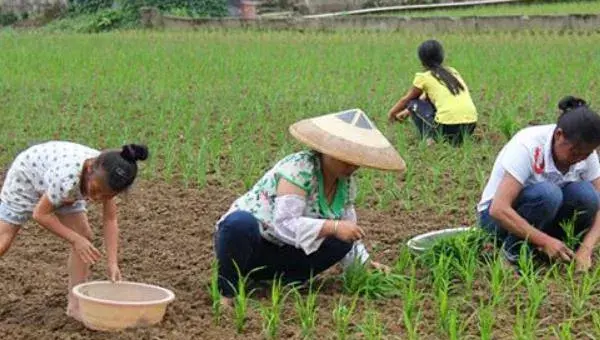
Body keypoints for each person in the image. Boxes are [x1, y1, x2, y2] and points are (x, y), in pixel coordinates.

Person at [214, 108, 406, 305]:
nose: (352, 166)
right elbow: (284, 223)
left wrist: (364, 266)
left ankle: (284, 281)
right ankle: (227, 293)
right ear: (327, 150)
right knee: (239, 223)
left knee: (341, 240)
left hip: (286, 252)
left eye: (355, 159)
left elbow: (349, 232)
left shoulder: (345, 184)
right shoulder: (300, 169)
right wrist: (334, 227)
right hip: (252, 245)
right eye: (344, 157)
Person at [0, 141, 148, 320]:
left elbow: (110, 220)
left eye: (107, 196)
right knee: (4, 241)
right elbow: (40, 214)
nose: (97, 198)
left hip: (69, 190)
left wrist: (112, 262)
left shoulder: (108, 177)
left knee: (84, 236)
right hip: (27, 179)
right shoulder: (69, 176)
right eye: (96, 191)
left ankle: (75, 305)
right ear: (89, 169)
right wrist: (75, 240)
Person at [478, 96, 600, 271]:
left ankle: (558, 249)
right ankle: (514, 251)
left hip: (542, 220)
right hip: (496, 221)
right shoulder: (528, 145)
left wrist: (586, 249)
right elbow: (498, 209)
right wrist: (545, 240)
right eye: (575, 153)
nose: (580, 159)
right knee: (548, 194)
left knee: (587, 195)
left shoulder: (586, 154)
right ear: (559, 135)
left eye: (586, 154)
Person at [387, 39, 478, 146]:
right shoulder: (452, 72)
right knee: (428, 104)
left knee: (413, 103)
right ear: (442, 57)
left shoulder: (424, 77)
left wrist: (391, 115)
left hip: (448, 127)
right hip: (470, 126)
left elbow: (407, 100)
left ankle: (429, 139)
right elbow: (427, 97)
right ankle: (456, 142)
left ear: (421, 60)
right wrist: (406, 112)